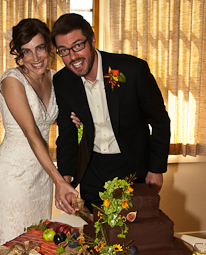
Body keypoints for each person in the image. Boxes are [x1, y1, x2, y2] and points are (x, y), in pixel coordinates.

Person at [0, 18, 80, 255]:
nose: (35, 58)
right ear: (19, 54)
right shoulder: (12, 80)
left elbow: (51, 117)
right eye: (26, 51)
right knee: (11, 238)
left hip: (42, 173)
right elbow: (32, 134)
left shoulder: (55, 77)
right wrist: (59, 180)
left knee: (36, 238)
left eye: (40, 48)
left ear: (49, 47)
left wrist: (75, 118)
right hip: (15, 172)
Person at [51, 13, 171, 213]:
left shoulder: (132, 70)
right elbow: (67, 133)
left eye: (78, 45)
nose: (72, 57)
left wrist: (156, 168)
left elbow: (160, 121)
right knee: (95, 227)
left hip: (131, 165)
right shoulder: (63, 81)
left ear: (92, 39)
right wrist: (65, 178)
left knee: (133, 227)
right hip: (91, 168)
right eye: (63, 50)